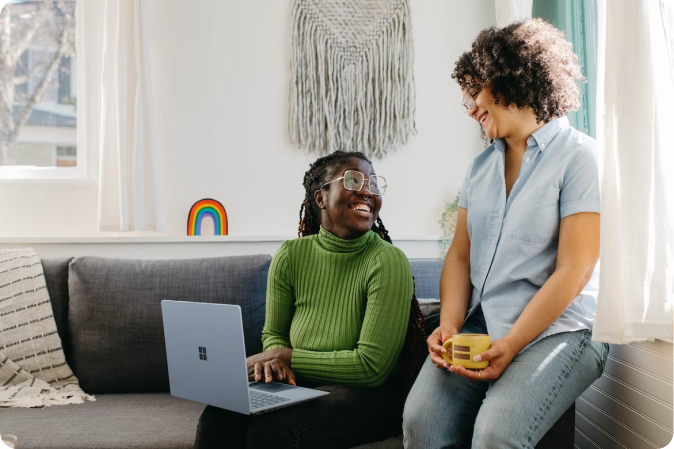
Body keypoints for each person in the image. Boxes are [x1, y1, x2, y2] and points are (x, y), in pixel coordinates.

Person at [402, 19, 609, 448]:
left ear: (510, 78)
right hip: (483, 323)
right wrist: (452, 326)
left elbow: (575, 269)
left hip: (561, 330)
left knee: (496, 434)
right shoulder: (480, 169)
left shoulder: (579, 158)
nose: (471, 107)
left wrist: (513, 343)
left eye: (474, 91)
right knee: (421, 424)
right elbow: (460, 257)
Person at [194, 151, 427, 449]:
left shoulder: (387, 260)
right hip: (300, 383)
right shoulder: (291, 255)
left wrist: (284, 357)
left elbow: (371, 368)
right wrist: (275, 364)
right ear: (321, 198)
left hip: (369, 394)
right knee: (220, 414)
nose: (367, 190)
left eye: (373, 183)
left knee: (273, 429)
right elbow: (274, 333)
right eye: (354, 179)